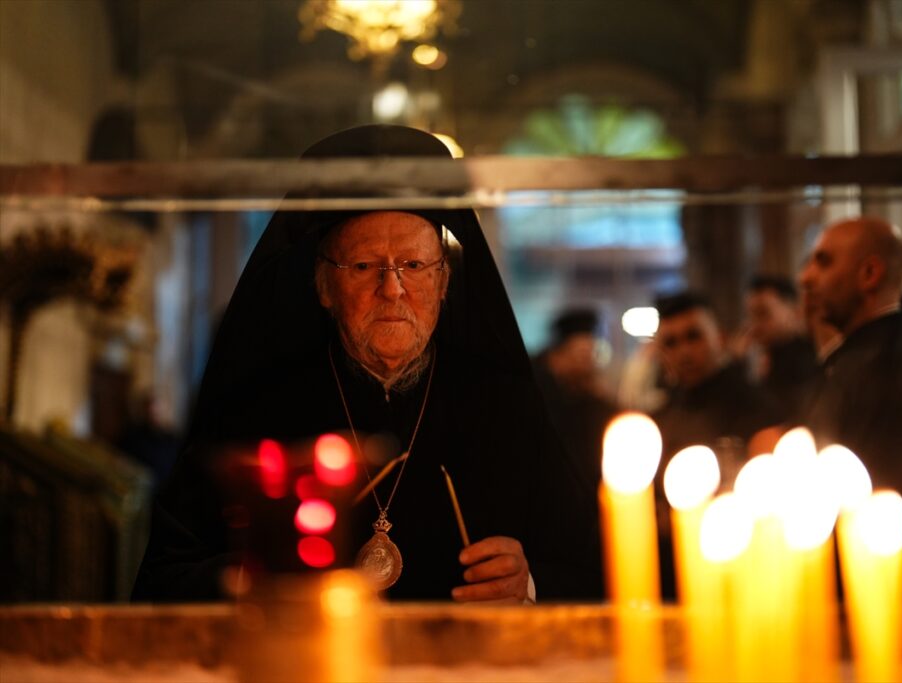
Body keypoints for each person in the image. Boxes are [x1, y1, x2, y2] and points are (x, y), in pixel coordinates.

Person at [132, 125, 602, 603]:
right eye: (363, 266)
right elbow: (164, 581)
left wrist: (528, 585)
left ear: (443, 282)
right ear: (323, 286)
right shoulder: (255, 410)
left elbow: (595, 569)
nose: (393, 289)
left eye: (413, 266)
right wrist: (256, 579)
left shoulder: (507, 407)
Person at [799, 217, 902, 511]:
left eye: (823, 262)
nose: (806, 278)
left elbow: (872, 497)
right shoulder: (865, 355)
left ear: (869, 274)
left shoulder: (887, 368)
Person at [651, 291, 781, 463]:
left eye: (693, 336)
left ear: (720, 338)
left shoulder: (755, 406)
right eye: (671, 343)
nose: (684, 352)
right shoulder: (662, 418)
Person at [531, 308, 619, 494]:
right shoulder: (540, 394)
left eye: (591, 355)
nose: (588, 364)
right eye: (582, 355)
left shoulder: (593, 399)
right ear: (558, 356)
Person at [742, 275, 818, 424]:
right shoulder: (767, 360)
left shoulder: (809, 361)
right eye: (750, 315)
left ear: (794, 311)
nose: (754, 325)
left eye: (763, 313)